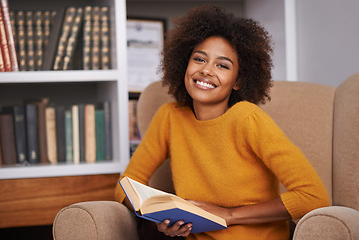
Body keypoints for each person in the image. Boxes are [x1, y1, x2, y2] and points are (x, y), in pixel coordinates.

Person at [115, 5, 329, 240]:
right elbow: (125, 187)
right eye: (199, 59)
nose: (206, 70)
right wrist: (159, 218)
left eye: (222, 65)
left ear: (238, 81)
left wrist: (229, 215)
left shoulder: (249, 119)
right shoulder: (169, 117)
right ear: (184, 64)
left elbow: (312, 196)